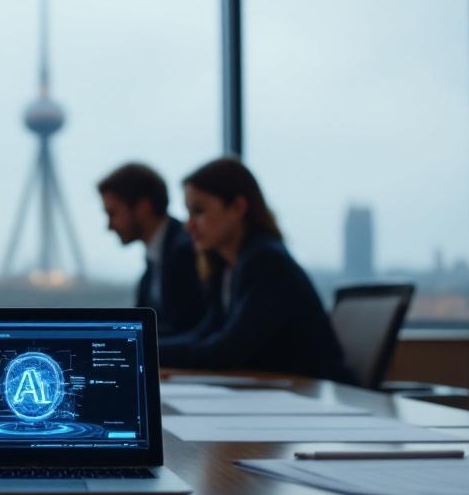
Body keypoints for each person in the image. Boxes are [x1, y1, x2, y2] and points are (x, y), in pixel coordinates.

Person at [159, 157, 354, 383]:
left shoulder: (266, 261)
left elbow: (226, 351)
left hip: (316, 395)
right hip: (280, 391)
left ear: (238, 207)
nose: (188, 225)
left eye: (199, 211)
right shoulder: (225, 267)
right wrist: (145, 348)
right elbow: (203, 335)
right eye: (188, 213)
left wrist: (145, 352)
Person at [98, 163, 206, 334]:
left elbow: (186, 328)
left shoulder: (184, 252)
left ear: (143, 207)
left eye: (113, 213)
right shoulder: (157, 257)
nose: (109, 226)